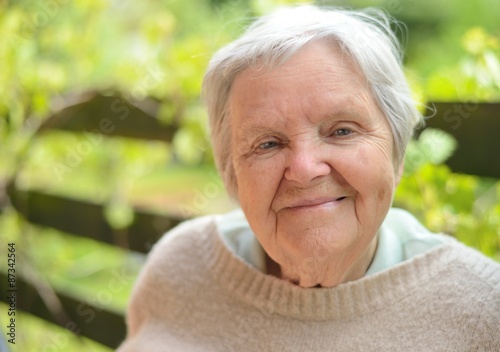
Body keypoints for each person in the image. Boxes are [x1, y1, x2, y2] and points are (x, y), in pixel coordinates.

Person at [118, 5, 500, 351]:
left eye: (342, 131)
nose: (303, 169)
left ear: (396, 154)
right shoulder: (180, 267)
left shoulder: (482, 309)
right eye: (267, 143)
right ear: (230, 172)